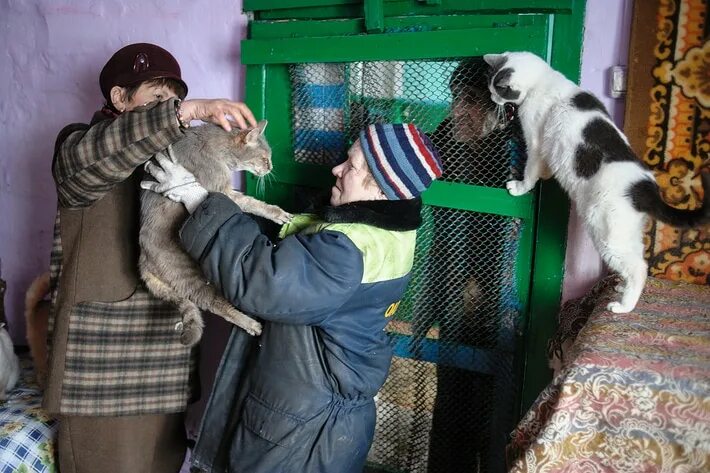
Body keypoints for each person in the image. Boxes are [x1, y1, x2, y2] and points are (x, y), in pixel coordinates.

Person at [141, 123, 443, 473]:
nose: (337, 169)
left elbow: (263, 282)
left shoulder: (347, 251)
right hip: (319, 418)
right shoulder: (383, 234)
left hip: (302, 437)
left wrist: (199, 200)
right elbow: (293, 257)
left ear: (379, 188)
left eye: (352, 166)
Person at [46, 42, 257, 473]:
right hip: (102, 361)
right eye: (156, 99)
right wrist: (186, 111)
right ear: (120, 99)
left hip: (168, 344)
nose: (170, 109)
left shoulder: (176, 158)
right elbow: (95, 157)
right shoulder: (79, 145)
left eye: (173, 100)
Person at [417, 57, 521, 472]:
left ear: (500, 107)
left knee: (498, 412)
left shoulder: (513, 148)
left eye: (472, 100)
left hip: (504, 297)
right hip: (453, 286)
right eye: (456, 98)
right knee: (453, 399)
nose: (458, 110)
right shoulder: (446, 137)